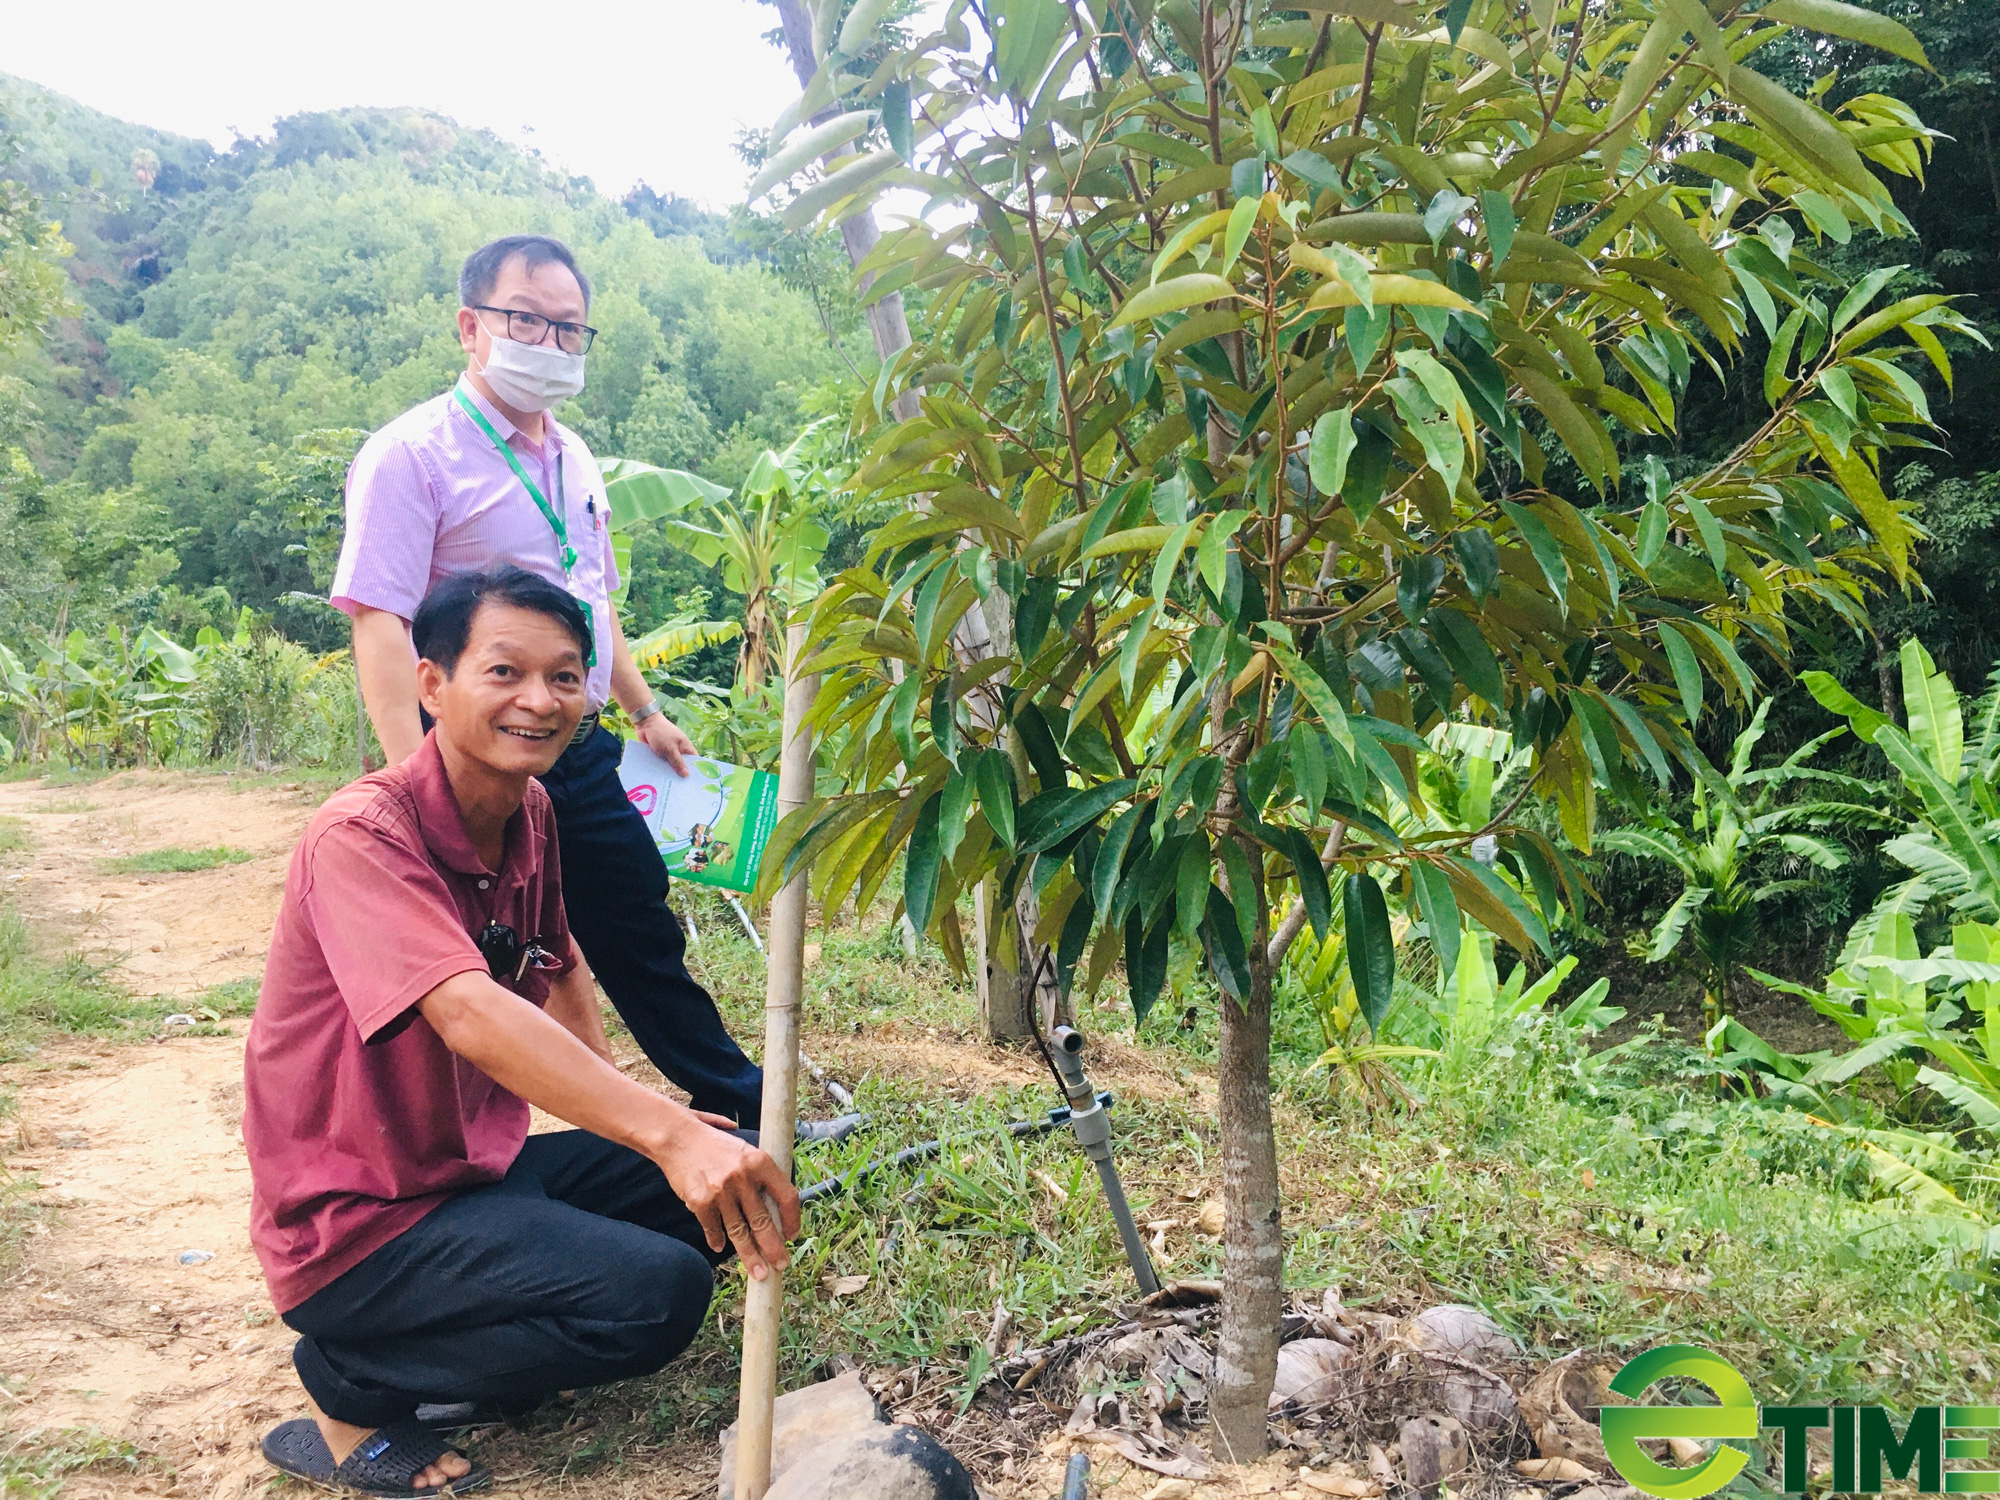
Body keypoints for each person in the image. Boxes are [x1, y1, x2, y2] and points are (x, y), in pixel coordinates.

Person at [245, 567, 799, 1497]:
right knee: (657, 1296)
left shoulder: (529, 811)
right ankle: (349, 1379)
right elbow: (465, 1007)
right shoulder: (362, 835)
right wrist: (660, 1132)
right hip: (359, 1221)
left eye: (566, 676)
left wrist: (649, 1121)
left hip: (467, 1176)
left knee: (723, 1178)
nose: (539, 701)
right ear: (433, 684)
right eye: (504, 672)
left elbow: (558, 967)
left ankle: (468, 1338)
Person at [330, 233, 765, 1125]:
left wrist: (643, 710)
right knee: (484, 953)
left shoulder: (575, 458)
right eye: (526, 319)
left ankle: (737, 1104)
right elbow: (378, 620)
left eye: (570, 328)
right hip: (473, 760)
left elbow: (592, 600)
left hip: (575, 744)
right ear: (470, 326)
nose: (551, 344)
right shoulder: (411, 455)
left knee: (632, 921)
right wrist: (417, 783)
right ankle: (484, 1141)